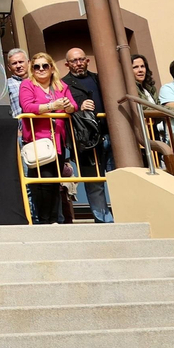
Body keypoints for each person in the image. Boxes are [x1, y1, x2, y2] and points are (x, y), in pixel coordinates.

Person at [19, 53, 75, 225]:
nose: (41, 69)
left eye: (45, 66)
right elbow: (27, 106)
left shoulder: (60, 85)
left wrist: (67, 107)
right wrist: (52, 107)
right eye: (37, 66)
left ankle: (53, 219)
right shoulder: (27, 84)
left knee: (54, 182)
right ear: (32, 69)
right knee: (41, 183)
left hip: (57, 140)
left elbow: (73, 106)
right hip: (37, 141)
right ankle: (43, 220)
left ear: (52, 68)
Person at [59, 48, 113, 223]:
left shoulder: (99, 78)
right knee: (94, 182)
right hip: (86, 141)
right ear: (67, 64)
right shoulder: (63, 84)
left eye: (82, 59)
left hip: (110, 135)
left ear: (87, 61)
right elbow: (62, 109)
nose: (78, 63)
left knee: (117, 179)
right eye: (74, 61)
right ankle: (105, 220)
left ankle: (124, 216)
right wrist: (78, 107)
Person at [5, 49, 30, 114]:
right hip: (19, 123)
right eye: (14, 63)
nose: (18, 66)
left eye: (21, 62)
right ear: (9, 67)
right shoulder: (6, 85)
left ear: (28, 63)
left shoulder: (38, 81)